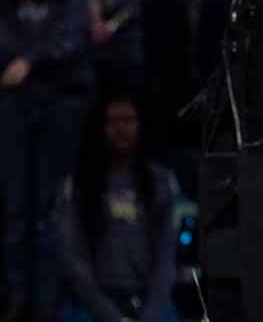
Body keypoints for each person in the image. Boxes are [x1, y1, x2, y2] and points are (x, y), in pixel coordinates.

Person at [0, 0, 91, 322]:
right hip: (14, 112)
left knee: (50, 212)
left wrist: (30, 61)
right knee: (17, 212)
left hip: (59, 109)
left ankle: (47, 303)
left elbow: (71, 38)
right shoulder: (4, 1)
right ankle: (17, 300)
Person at [59, 97, 180, 322]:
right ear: (100, 128)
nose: (121, 129)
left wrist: (149, 315)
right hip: (95, 302)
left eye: (128, 120)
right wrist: (113, 317)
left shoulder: (161, 182)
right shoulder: (77, 185)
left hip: (149, 299)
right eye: (112, 122)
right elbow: (74, 262)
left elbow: (166, 261)